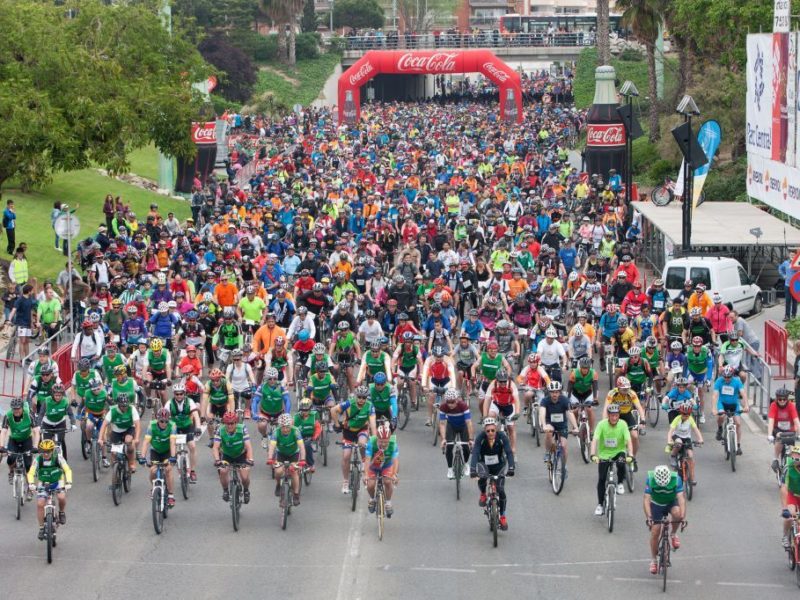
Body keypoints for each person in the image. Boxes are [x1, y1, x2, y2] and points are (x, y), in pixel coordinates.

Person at [470, 417, 515, 530]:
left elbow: (509, 452)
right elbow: (475, 452)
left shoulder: (502, 437)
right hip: (484, 465)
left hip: (498, 466)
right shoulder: (480, 438)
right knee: (482, 478)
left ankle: (503, 516)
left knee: (501, 490)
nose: (490, 433)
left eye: (492, 430)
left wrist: (511, 467)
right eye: (488, 431)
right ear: (484, 430)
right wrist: (472, 470)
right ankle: (483, 494)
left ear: (496, 429)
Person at [330, 385, 377, 494]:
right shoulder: (349, 403)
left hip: (362, 430)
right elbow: (333, 410)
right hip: (348, 431)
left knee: (362, 445)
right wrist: (337, 424)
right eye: (359, 397)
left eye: (364, 398)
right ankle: (345, 481)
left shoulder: (370, 406)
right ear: (356, 396)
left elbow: (373, 424)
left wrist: (374, 439)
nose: (361, 400)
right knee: (346, 456)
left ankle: (366, 474)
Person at [590, 403, 633, 515]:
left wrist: (631, 455)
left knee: (620, 463)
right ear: (608, 415)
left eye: (616, 415)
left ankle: (619, 483)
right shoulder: (602, 424)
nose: (614, 418)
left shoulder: (623, 424)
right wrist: (593, 455)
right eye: (612, 415)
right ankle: (600, 505)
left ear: (619, 415)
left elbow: (628, 441)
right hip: (604, 454)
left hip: (619, 451)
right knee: (602, 479)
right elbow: (595, 440)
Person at [644, 464, 687, 574]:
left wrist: (682, 517)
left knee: (677, 514)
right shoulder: (650, 479)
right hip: (656, 504)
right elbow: (646, 500)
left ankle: (673, 534)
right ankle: (653, 560)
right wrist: (649, 517)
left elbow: (681, 499)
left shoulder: (676, 480)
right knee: (655, 531)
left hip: (671, 502)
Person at [27, 438, 72, 540]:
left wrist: (69, 482)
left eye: (48, 451)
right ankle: (41, 528)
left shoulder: (58, 458)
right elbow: (31, 473)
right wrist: (31, 483)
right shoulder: (38, 460)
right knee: (40, 504)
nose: (45, 454)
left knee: (61, 497)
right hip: (44, 482)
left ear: (52, 451)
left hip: (57, 481)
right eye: (43, 451)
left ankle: (61, 512)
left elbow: (67, 470)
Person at [212, 411, 254, 503]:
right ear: (224, 423)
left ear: (236, 422)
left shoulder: (242, 428)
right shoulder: (220, 430)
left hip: (241, 455)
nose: (230, 426)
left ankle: (246, 490)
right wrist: (217, 460)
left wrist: (250, 459)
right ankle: (225, 490)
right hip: (227, 455)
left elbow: (248, 446)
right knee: (222, 471)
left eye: (232, 423)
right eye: (227, 423)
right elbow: (215, 447)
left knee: (244, 476)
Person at [138, 408, 177, 508]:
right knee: (153, 470)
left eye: (166, 421)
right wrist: (142, 457)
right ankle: (154, 487)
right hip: (155, 450)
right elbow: (146, 442)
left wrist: (173, 457)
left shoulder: (172, 426)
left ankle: (171, 495)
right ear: (157, 419)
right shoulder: (151, 426)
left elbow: (172, 443)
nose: (164, 423)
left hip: (167, 451)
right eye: (161, 421)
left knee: (168, 470)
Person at [266, 413, 307, 507]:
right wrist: (270, 458)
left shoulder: (296, 431)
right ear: (280, 426)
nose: (285, 429)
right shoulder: (276, 432)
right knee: (278, 471)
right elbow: (272, 446)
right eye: (283, 427)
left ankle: (296, 495)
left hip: (294, 454)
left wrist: (303, 460)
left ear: (291, 425)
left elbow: (302, 447)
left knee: (294, 472)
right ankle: (278, 485)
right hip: (281, 454)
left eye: (287, 427)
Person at [539, 380, 577, 472]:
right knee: (548, 432)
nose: (554, 394)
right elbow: (542, 413)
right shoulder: (545, 401)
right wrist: (544, 425)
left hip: (562, 425)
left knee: (563, 446)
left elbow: (570, 413)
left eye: (556, 392)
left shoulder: (565, 400)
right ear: (549, 392)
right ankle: (548, 452)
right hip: (550, 423)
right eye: (552, 392)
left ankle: (564, 467)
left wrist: (575, 427)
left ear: (560, 392)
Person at [0, 397, 41, 482]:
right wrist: (1, 446)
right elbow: (3, 432)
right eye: (14, 409)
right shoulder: (8, 416)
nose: (16, 411)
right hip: (14, 440)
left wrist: (35, 447)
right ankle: (11, 471)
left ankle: (30, 485)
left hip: (26, 439)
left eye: (18, 408)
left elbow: (36, 431)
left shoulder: (29, 414)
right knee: (10, 459)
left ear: (22, 407)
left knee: (28, 464)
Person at [365, 420, 399, 517]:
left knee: (388, 481)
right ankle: (372, 499)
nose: (383, 444)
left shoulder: (393, 444)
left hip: (387, 464)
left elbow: (395, 460)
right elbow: (367, 460)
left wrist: (394, 475)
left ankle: (388, 502)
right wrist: (366, 474)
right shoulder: (371, 442)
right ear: (377, 438)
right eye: (381, 441)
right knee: (371, 484)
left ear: (389, 439)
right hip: (373, 465)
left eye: (386, 442)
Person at [438, 388, 474, 479]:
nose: (450, 404)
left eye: (452, 402)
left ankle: (466, 464)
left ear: (457, 400)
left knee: (466, 447)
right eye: (448, 402)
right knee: (449, 447)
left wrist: (471, 439)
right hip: (451, 426)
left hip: (463, 425)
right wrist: (443, 439)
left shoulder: (463, 406)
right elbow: (442, 424)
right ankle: (450, 468)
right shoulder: (443, 407)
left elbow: (469, 423)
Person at [713, 364, 749, 452]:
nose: (726, 379)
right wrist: (714, 408)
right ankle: (720, 428)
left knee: (738, 423)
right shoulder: (719, 381)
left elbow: (743, 393)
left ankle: (738, 445)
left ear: (732, 375)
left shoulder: (737, 381)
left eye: (728, 377)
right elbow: (715, 396)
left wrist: (746, 405)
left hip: (734, 404)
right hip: (722, 403)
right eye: (725, 377)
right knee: (721, 416)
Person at [666, 402, 703, 482]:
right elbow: (671, 431)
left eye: (687, 415)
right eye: (683, 414)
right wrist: (669, 440)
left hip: (687, 438)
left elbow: (696, 430)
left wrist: (700, 439)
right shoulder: (677, 419)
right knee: (678, 443)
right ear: (680, 413)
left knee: (691, 457)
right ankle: (673, 455)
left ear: (689, 414)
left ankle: (692, 478)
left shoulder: (690, 419)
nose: (685, 416)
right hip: (677, 436)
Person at [768, 388, 800, 473]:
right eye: (780, 399)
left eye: (784, 399)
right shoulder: (773, 405)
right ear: (776, 398)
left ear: (787, 399)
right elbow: (771, 421)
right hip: (778, 429)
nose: (782, 401)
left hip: (790, 429)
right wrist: (769, 435)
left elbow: (796, 421)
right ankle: (775, 459)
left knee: (794, 450)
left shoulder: (791, 406)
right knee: (779, 437)